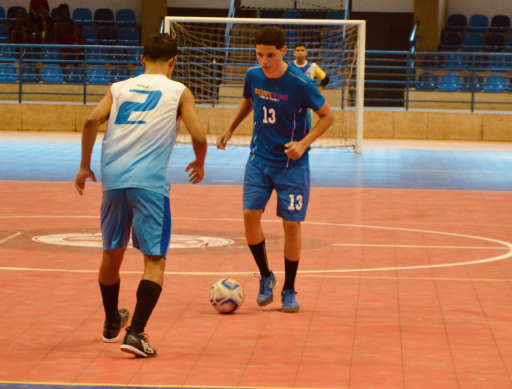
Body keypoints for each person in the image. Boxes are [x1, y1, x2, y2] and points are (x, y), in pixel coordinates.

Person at [74, 33, 208, 357]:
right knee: (154, 260)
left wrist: (83, 167)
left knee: (111, 253)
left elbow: (92, 120)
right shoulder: (178, 91)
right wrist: (199, 162)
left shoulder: (119, 88)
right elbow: (200, 136)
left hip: (113, 180)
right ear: (174, 62)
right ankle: (135, 333)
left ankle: (110, 323)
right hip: (149, 183)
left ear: (142, 59)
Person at [216, 27, 335, 313]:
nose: (264, 61)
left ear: (284, 51)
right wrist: (230, 128)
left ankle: (290, 289)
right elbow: (249, 100)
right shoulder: (253, 75)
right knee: (249, 215)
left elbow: (328, 116)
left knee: (291, 225)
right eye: (259, 54)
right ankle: (266, 276)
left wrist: (304, 144)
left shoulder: (301, 83)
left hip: (292, 165)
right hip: (258, 160)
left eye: (270, 55)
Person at [290, 43, 330, 130]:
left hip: (306, 104)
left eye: (302, 50)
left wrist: (317, 90)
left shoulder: (312, 66)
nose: (300, 52)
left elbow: (326, 79)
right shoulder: (289, 66)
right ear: (294, 53)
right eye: (298, 50)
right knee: (290, 128)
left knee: (306, 129)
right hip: (291, 102)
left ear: (306, 53)